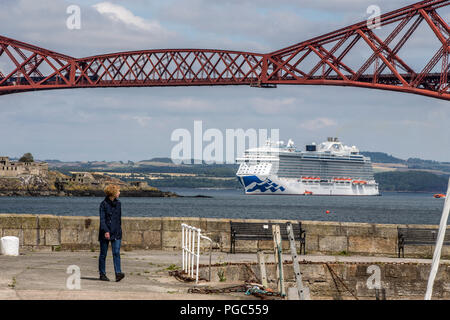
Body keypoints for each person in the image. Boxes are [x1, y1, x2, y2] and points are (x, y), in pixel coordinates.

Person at [98, 184, 125, 282]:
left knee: (116, 253)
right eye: (118, 191)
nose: (119, 193)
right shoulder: (103, 204)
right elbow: (102, 220)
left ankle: (118, 273)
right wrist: (106, 231)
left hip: (116, 232)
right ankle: (102, 274)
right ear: (113, 193)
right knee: (103, 254)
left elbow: (118, 219)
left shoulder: (119, 204)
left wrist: (119, 230)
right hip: (105, 232)